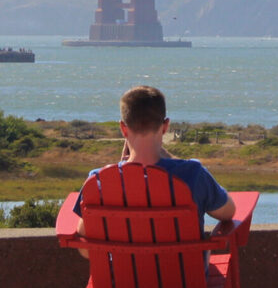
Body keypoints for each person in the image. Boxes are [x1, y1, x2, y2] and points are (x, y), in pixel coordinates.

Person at [72, 86, 237, 254]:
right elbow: (228, 212)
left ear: (123, 128)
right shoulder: (193, 174)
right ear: (165, 127)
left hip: (122, 279)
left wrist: (120, 170)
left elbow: (85, 249)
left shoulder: (99, 181)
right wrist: (172, 159)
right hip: (184, 279)